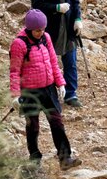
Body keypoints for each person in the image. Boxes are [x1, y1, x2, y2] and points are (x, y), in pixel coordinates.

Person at [9, 9, 82, 170]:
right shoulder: (19, 44)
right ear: (29, 28)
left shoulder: (46, 38)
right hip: (30, 92)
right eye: (37, 30)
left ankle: (65, 158)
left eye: (42, 29)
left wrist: (61, 83)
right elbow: (14, 71)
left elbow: (53, 62)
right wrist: (16, 95)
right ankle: (34, 158)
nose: (40, 33)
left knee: (57, 122)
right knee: (33, 126)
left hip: (49, 89)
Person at [30, 0, 84, 108]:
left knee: (71, 61)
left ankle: (71, 94)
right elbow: (36, 4)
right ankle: (49, 93)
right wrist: (56, 7)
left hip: (67, 26)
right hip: (48, 28)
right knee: (46, 62)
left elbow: (75, 0)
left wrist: (78, 19)